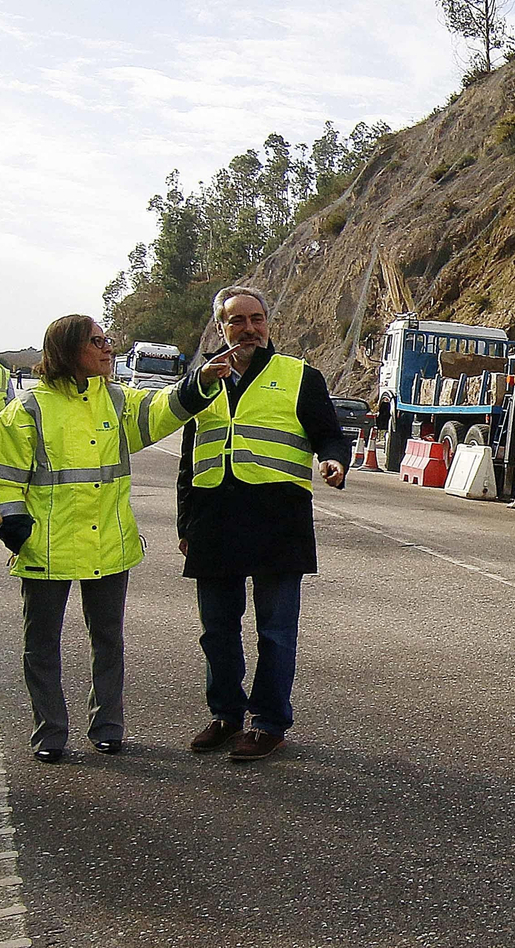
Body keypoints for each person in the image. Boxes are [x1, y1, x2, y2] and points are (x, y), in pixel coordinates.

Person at [0, 315, 229, 763]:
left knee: (109, 641)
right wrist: (17, 530)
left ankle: (108, 727)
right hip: (47, 546)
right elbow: (3, 479)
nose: (108, 348)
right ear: (67, 350)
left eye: (107, 340)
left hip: (109, 544)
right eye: (97, 341)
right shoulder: (28, 409)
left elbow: (161, 409)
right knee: (41, 645)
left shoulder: (115, 398)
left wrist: (199, 382)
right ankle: (50, 733)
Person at [177, 285, 351, 762]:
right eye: (237, 321)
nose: (249, 328)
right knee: (217, 630)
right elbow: (189, 458)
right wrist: (184, 524)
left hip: (278, 522)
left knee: (275, 632)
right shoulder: (202, 381)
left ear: (268, 324)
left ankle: (268, 722)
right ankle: (226, 715)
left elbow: (330, 436)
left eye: (257, 319)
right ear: (220, 327)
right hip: (214, 521)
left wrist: (335, 462)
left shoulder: (300, 376)